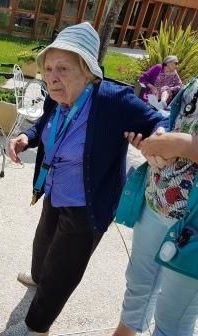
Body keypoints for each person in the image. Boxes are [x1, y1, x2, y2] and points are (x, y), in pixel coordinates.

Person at [4, 22, 167, 336]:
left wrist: (155, 137)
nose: (52, 76)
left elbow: (157, 120)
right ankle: (38, 278)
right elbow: (44, 125)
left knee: (62, 270)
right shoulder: (57, 95)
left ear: (89, 72)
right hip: (54, 189)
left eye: (63, 68)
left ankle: (36, 327)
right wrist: (26, 137)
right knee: (44, 244)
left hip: (87, 205)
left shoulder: (112, 100)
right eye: (48, 68)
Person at [113, 77, 198, 336]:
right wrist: (158, 141)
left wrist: (178, 144)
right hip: (157, 201)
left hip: (193, 225)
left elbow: (184, 141)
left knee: (173, 319)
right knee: (139, 282)